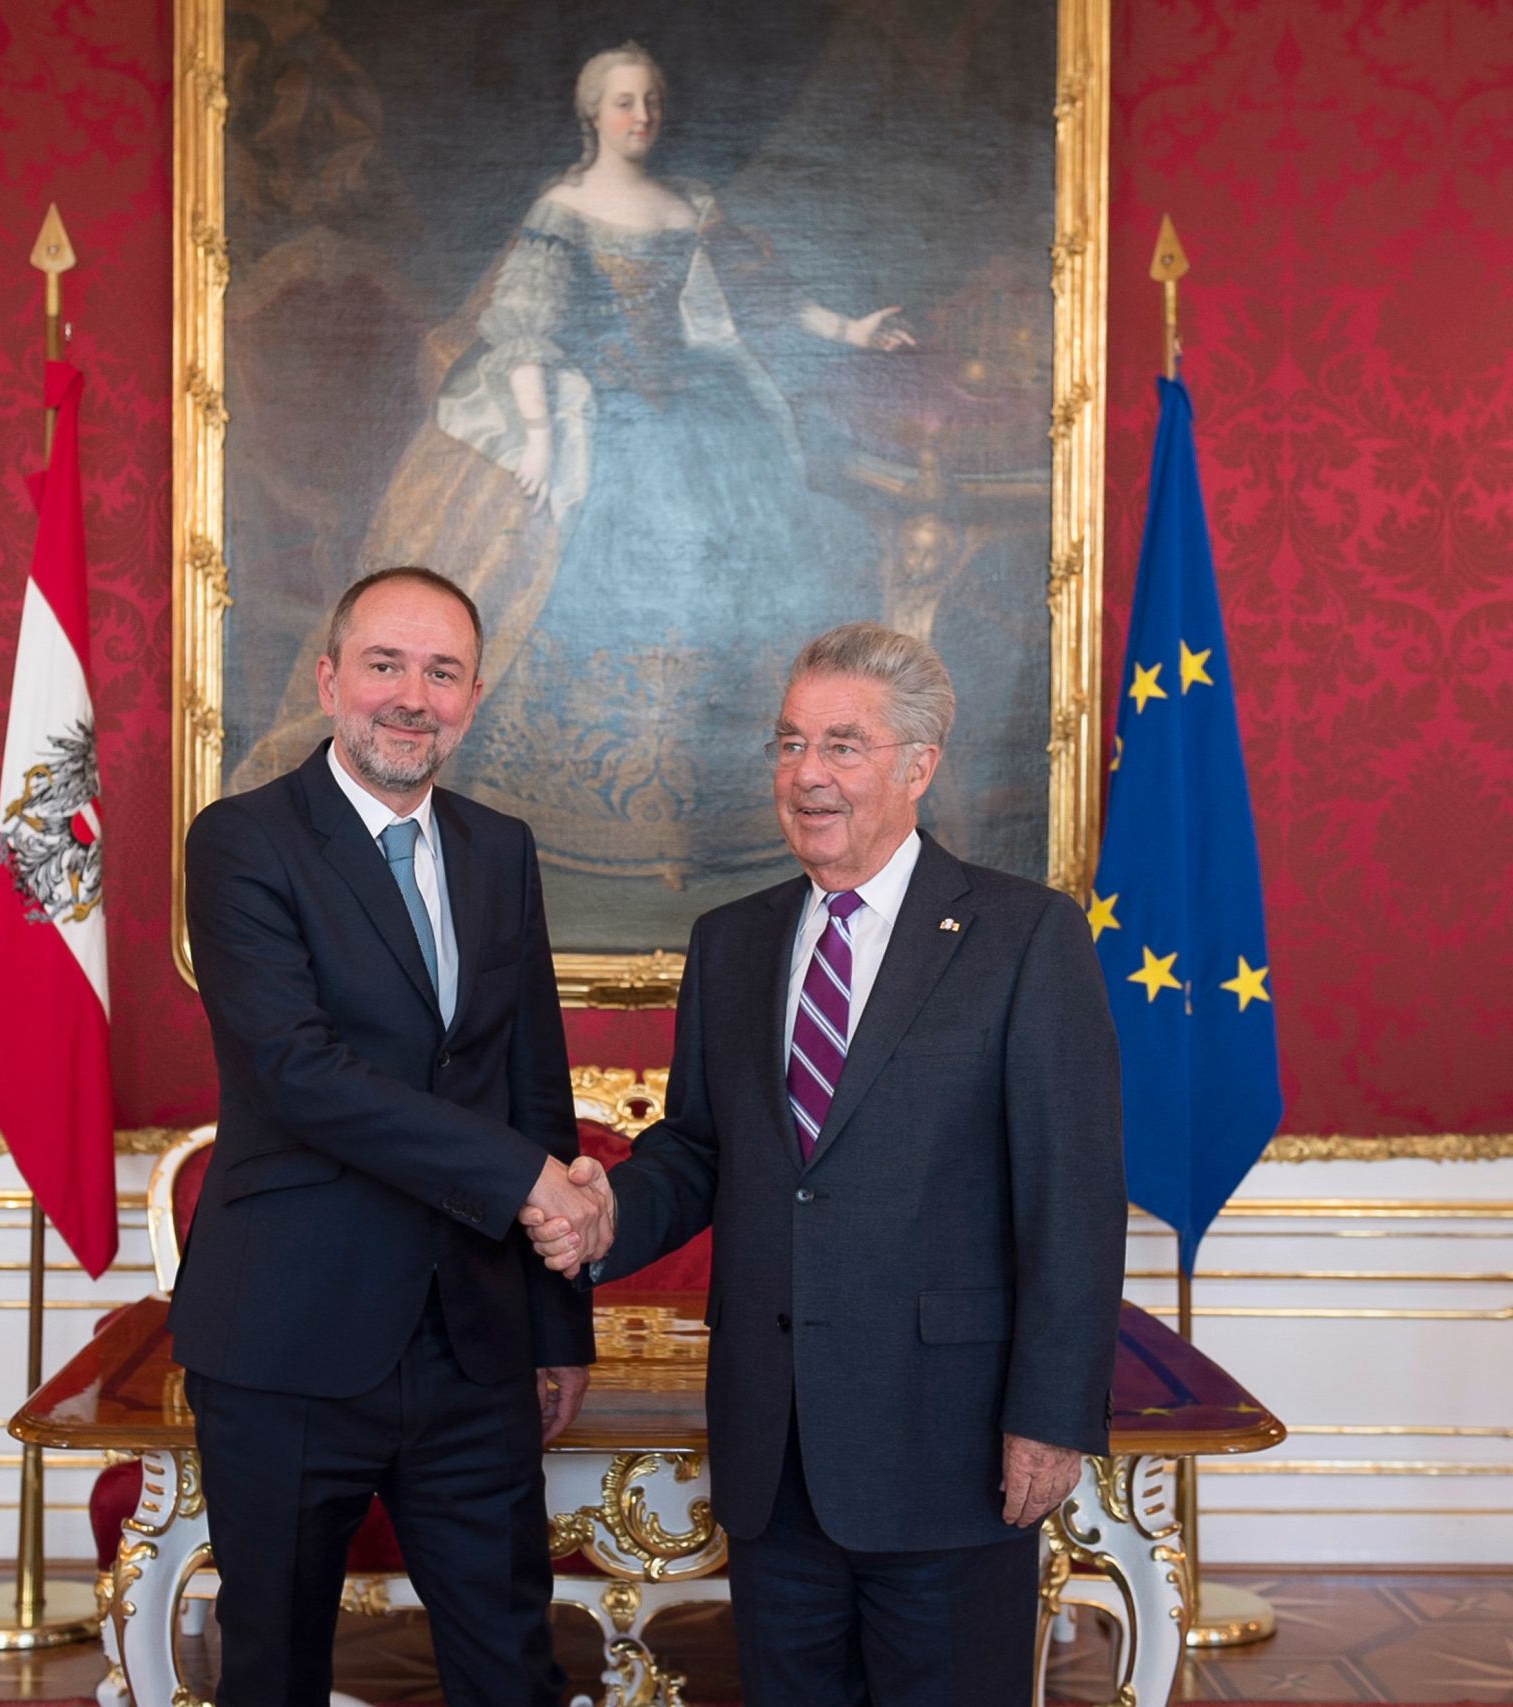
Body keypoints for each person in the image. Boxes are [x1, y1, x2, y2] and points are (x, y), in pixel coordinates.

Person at [523, 622, 1128, 1707]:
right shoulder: (733, 940)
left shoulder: (1023, 936)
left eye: (842, 746)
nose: (806, 775)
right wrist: (608, 1210)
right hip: (774, 1447)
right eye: (789, 744)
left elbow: (1070, 1199)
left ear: (917, 766)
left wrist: (1050, 1411)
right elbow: (702, 1151)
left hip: (949, 1444)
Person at [238, 42, 914, 896]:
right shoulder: (563, 206)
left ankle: (713, 805)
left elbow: (758, 297)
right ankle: (572, 808)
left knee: (734, 565)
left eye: (651, 103)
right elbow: (525, 325)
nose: (641, 118)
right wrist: (542, 439)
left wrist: (852, 332)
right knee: (552, 558)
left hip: (700, 416)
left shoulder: (689, 204)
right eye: (625, 102)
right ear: (593, 114)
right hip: (590, 411)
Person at [171, 566, 606, 1707]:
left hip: (471, 1342)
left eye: (442, 672)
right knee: (272, 1668)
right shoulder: (242, 843)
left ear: (469, 697)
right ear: (329, 681)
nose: (411, 697)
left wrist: (555, 1321)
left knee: (513, 1665)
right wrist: (525, 1183)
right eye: (384, 665)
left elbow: (533, 1082)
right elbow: (300, 1075)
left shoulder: (497, 849)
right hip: (286, 1339)